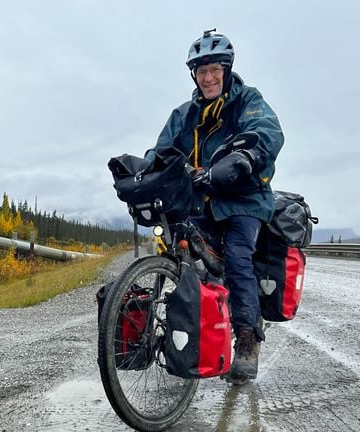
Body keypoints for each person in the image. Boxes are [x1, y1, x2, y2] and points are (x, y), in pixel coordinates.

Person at [145, 28, 284, 384]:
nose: (207, 78)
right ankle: (192, 336)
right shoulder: (184, 114)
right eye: (200, 71)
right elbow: (162, 151)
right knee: (185, 258)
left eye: (214, 70)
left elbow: (266, 132)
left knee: (237, 258)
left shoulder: (247, 100)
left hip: (244, 199)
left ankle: (248, 340)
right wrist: (147, 169)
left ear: (226, 69)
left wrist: (247, 156)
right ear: (193, 74)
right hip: (201, 200)